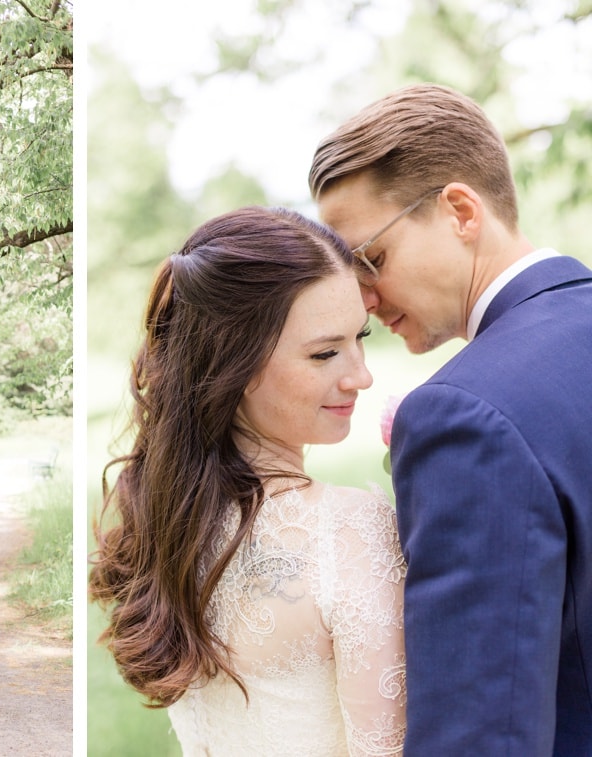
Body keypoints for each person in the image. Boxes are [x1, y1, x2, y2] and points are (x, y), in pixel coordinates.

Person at [309, 83, 592, 755]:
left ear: (460, 210)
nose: (366, 298)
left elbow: (481, 734)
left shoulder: (464, 417)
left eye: (370, 260)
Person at [89, 206, 407, 756]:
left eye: (360, 337)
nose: (361, 374)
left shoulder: (166, 522)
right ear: (234, 362)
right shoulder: (349, 532)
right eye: (325, 352)